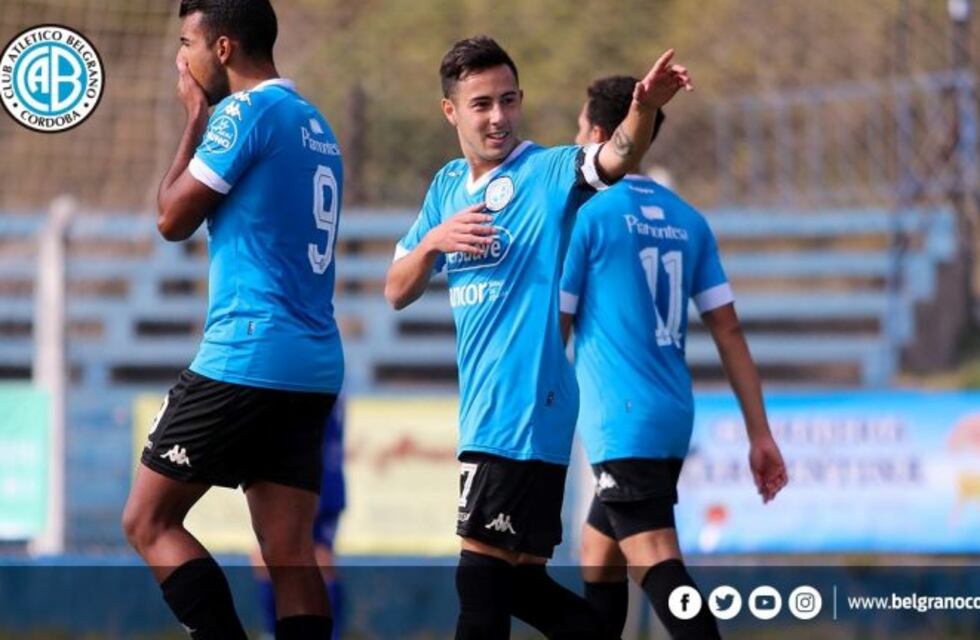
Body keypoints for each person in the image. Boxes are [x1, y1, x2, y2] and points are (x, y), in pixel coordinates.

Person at [384, 36, 691, 639]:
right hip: (487, 413)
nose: (498, 117)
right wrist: (432, 244)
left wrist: (645, 108)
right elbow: (396, 289)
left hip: (523, 408)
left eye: (508, 100)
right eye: (481, 104)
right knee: (518, 581)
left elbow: (616, 156)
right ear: (451, 111)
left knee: (479, 582)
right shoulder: (446, 187)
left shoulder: (547, 172)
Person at [121, 1, 344, 638]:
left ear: (223, 49)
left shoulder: (246, 111)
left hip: (247, 352)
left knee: (148, 522)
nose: (181, 59)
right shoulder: (315, 122)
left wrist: (197, 114)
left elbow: (171, 219)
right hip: (312, 364)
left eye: (187, 42)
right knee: (290, 553)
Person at [560, 75, 789, 639]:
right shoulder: (688, 219)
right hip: (670, 417)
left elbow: (556, 325)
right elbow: (729, 331)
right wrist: (760, 434)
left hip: (622, 418)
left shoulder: (588, 216)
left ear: (596, 135)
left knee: (658, 562)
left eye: (577, 130)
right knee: (599, 553)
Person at [253, 397, 346, 640]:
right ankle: (273, 631)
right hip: (297, 482)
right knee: (269, 557)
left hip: (310, 485)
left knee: (317, 557)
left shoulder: (307, 382)